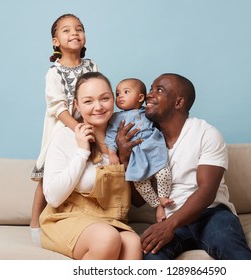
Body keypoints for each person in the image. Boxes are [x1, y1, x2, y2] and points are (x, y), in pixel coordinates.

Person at [116, 73, 251, 260]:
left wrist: (170, 225)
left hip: (211, 214)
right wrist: (125, 158)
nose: (149, 95)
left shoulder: (206, 133)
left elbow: (207, 190)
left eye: (159, 90)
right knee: (150, 260)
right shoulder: (145, 138)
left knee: (230, 247)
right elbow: (138, 201)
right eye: (151, 89)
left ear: (179, 102)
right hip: (168, 220)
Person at [39, 72, 142, 260]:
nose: (98, 107)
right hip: (66, 218)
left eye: (105, 98)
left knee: (133, 243)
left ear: (113, 98)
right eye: (88, 101)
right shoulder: (66, 135)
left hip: (109, 220)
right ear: (77, 105)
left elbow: (139, 198)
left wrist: (125, 158)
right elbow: (53, 198)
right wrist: (82, 152)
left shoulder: (124, 135)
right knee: (107, 238)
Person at [30, 13, 99, 245]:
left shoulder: (91, 66)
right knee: (47, 176)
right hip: (63, 129)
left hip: (88, 128)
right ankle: (34, 225)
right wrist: (78, 129)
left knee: (85, 170)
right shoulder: (54, 72)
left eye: (79, 29)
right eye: (67, 30)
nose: (74, 33)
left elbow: (97, 93)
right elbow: (58, 109)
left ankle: (81, 218)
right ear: (55, 41)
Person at [105, 78, 173, 222]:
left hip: (153, 151)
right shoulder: (116, 118)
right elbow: (111, 135)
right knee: (140, 183)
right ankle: (157, 206)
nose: (120, 96)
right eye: (117, 94)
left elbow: (163, 122)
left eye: (126, 92)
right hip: (136, 156)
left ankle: (163, 197)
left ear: (140, 97)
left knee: (164, 173)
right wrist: (112, 153)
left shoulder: (148, 112)